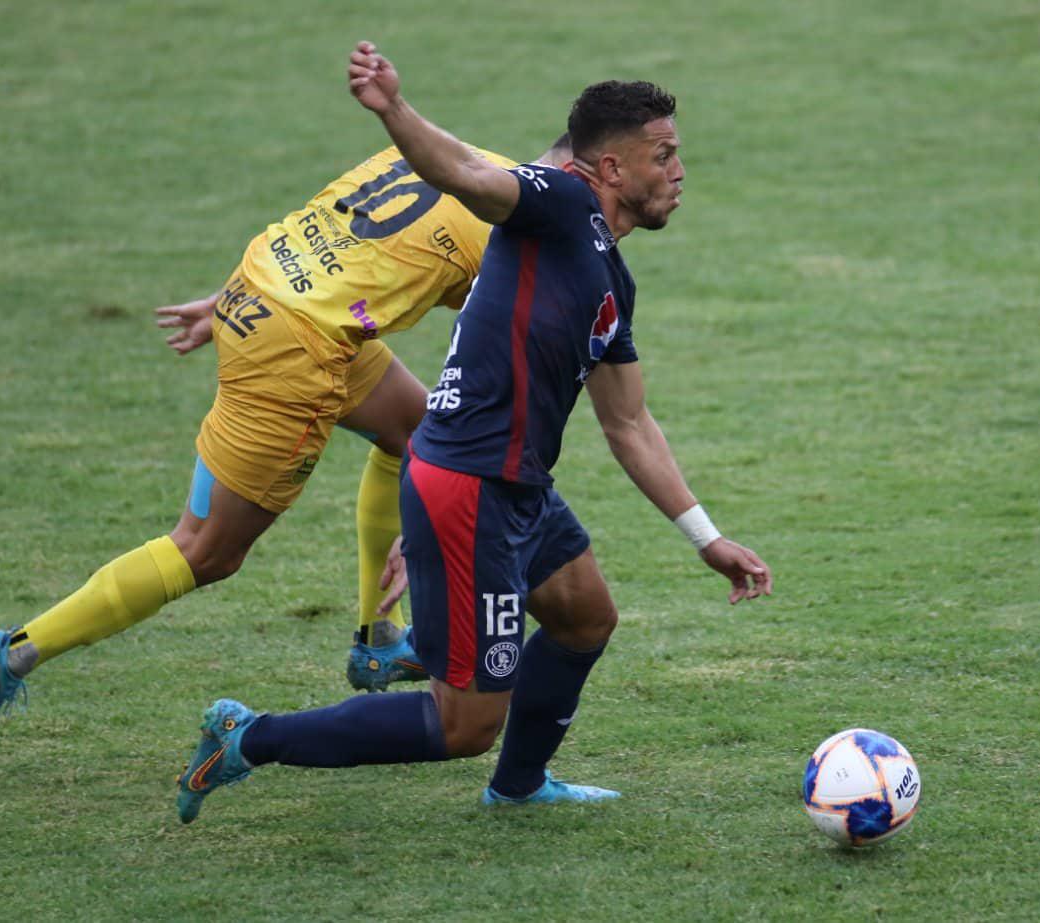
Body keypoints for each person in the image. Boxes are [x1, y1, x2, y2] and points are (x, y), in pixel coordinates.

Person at [172, 40, 772, 823]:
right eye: (663, 155)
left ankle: (520, 786)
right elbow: (465, 174)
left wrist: (706, 537)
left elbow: (628, 422)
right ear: (614, 169)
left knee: (585, 615)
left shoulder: (610, 277)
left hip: (516, 484)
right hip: (470, 486)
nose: (679, 170)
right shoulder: (559, 200)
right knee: (464, 725)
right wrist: (393, 108)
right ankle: (247, 737)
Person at [0, 130, 574, 756]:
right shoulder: (517, 228)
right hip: (300, 346)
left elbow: (324, 230)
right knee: (206, 550)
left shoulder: (439, 154)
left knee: (413, 431)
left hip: (266, 292)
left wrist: (229, 301)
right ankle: (12, 654)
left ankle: (378, 640)